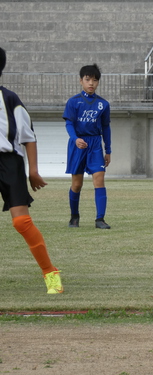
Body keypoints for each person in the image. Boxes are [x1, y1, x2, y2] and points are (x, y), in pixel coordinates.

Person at [0, 47, 63, 294]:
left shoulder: (10, 100)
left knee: (22, 222)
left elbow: (29, 137)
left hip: (9, 163)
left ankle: (51, 274)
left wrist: (33, 170)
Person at [63, 64, 111, 229]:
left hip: (96, 145)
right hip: (78, 145)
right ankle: (74, 217)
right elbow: (69, 124)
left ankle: (100, 219)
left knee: (99, 180)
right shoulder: (73, 102)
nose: (91, 83)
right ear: (81, 81)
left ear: (98, 82)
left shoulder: (103, 104)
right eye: (87, 79)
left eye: (95, 80)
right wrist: (75, 139)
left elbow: (106, 128)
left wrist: (108, 150)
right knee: (77, 184)